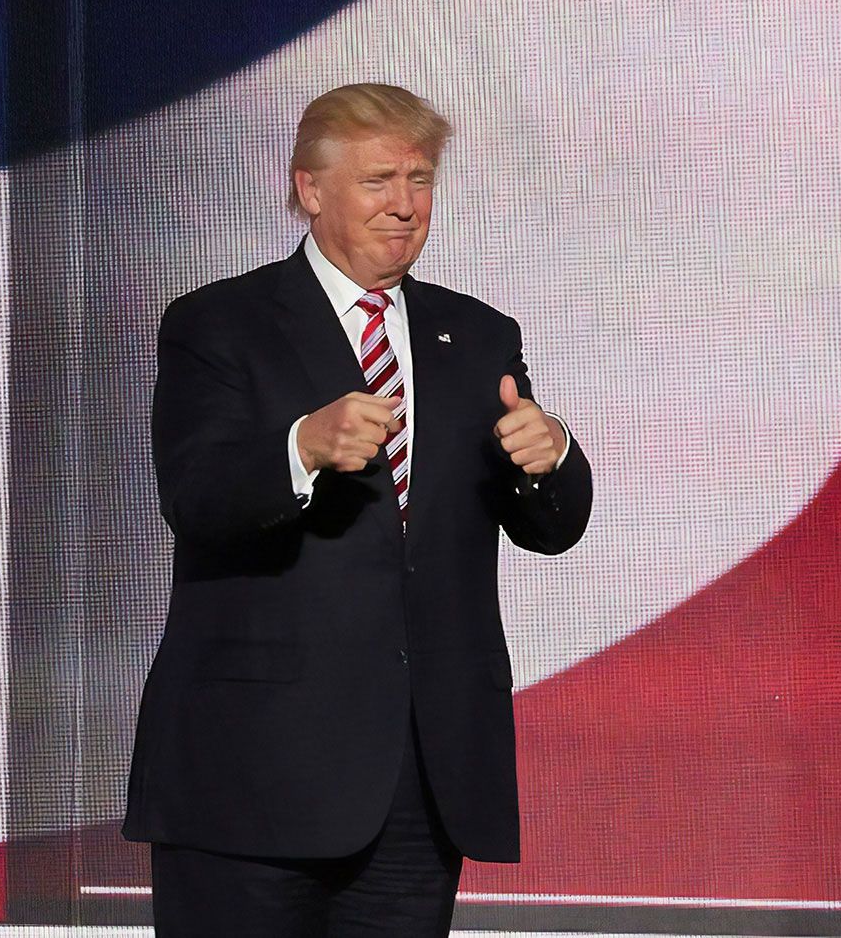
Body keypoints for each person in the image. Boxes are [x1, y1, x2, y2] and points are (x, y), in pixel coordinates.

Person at [124, 83, 593, 937]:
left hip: (420, 780)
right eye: (379, 181)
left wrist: (552, 454)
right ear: (310, 189)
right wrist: (301, 447)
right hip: (250, 772)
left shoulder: (477, 335)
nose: (405, 205)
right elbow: (196, 500)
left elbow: (550, 529)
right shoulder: (219, 324)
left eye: (419, 180)